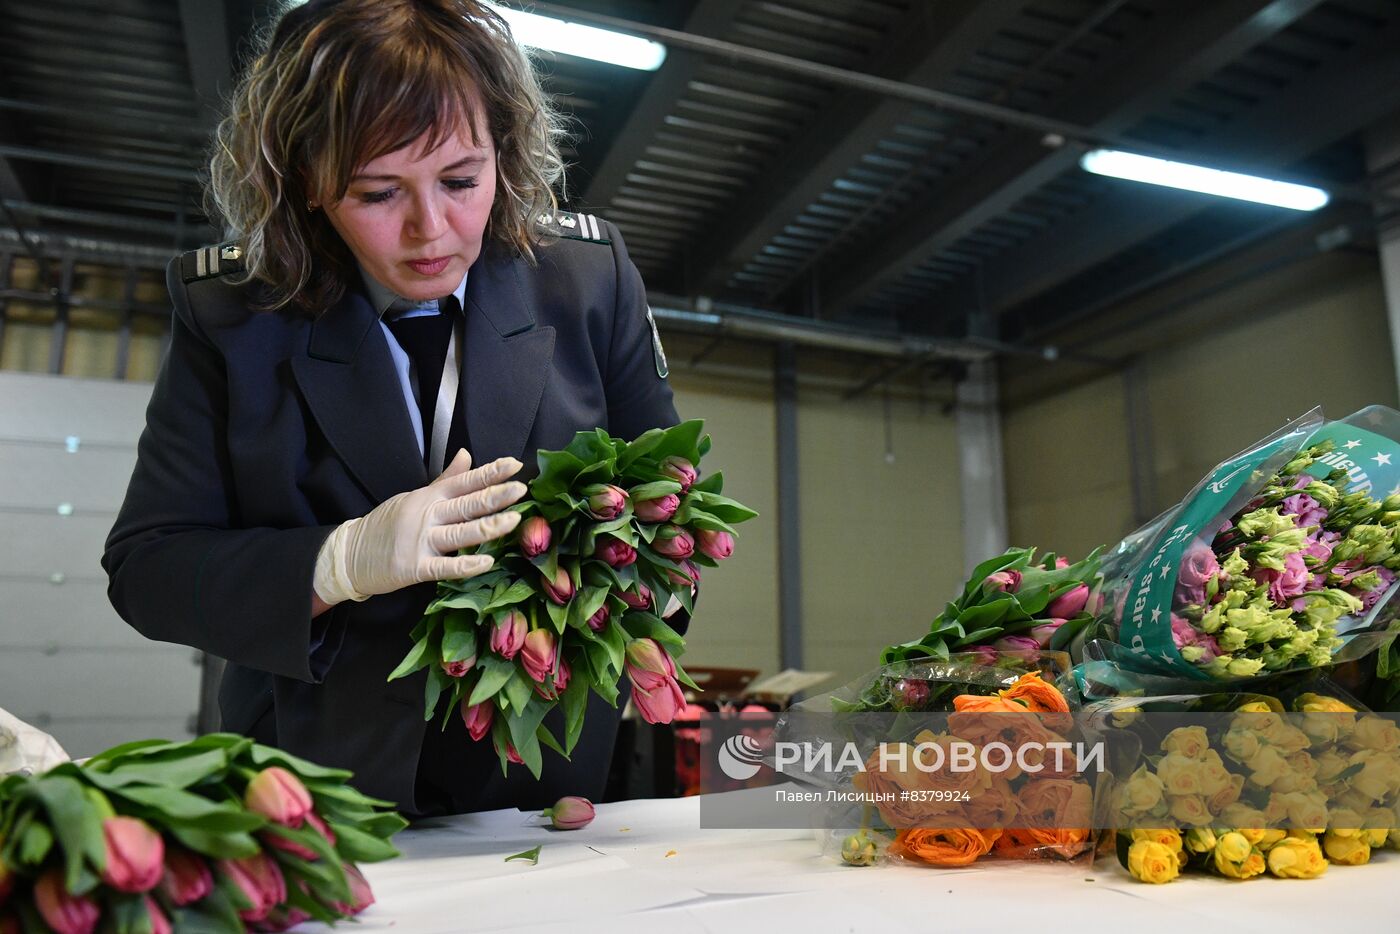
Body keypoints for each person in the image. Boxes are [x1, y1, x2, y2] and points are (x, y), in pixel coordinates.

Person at [102, 0, 682, 817]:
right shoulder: (232, 315)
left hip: (541, 779)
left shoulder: (588, 281)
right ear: (305, 182)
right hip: (318, 778)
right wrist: (337, 563)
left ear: (505, 156)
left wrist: (596, 647)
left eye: (461, 180)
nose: (431, 230)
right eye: (378, 192)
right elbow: (147, 570)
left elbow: (672, 522)